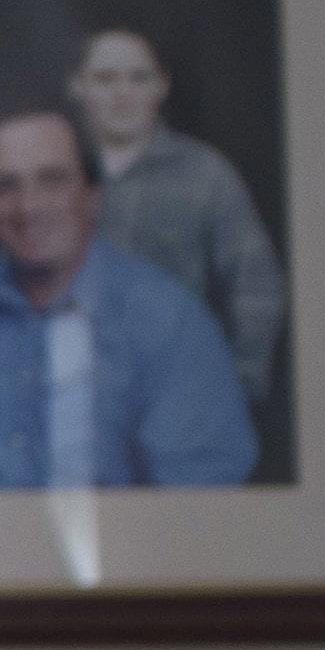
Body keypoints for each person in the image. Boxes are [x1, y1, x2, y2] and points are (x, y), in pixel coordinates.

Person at [0, 108, 259, 490]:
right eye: (6, 187)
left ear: (92, 196)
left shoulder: (168, 318)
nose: (28, 207)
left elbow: (197, 502)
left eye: (52, 180)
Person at [71, 25, 289, 409]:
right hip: (76, 400)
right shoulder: (55, 174)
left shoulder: (206, 174)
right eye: (105, 79)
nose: (122, 94)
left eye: (139, 78)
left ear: (162, 87)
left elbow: (258, 284)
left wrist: (239, 383)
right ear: (78, 86)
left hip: (174, 399)